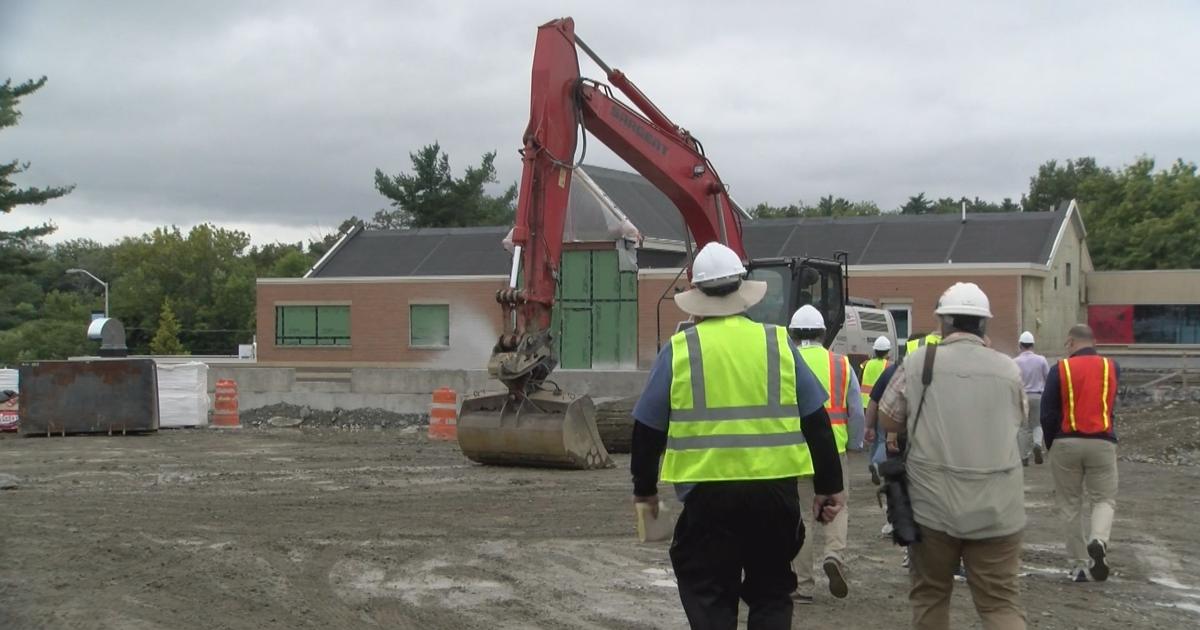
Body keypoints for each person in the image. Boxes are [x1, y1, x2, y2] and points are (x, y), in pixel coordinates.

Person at [630, 242, 846, 630]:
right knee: (772, 594)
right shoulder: (777, 343)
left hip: (707, 501)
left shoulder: (679, 351)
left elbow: (647, 430)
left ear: (696, 298)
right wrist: (829, 488)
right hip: (774, 498)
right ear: (744, 293)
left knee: (708, 594)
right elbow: (816, 420)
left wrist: (645, 491)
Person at [878, 282, 1027, 630]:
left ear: (942, 323)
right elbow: (1019, 415)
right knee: (1000, 603)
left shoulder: (918, 363)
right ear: (984, 326)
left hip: (933, 507)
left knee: (930, 595)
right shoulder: (1007, 369)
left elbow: (888, 417)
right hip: (997, 509)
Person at [787, 305, 866, 603]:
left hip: (796, 451)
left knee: (802, 516)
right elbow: (856, 410)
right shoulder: (841, 364)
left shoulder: (786, 361)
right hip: (833, 450)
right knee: (837, 506)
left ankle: (802, 584)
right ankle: (833, 555)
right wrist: (855, 443)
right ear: (823, 333)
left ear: (792, 333)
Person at [1039, 324, 1119, 583]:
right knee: (1104, 499)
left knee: (1070, 505)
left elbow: (1048, 412)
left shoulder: (1059, 369)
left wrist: (1052, 443)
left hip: (1067, 441)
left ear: (1071, 342)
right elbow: (1110, 402)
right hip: (1102, 441)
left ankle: (1080, 565)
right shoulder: (1111, 367)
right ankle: (1099, 540)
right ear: (1093, 342)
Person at [1014, 331, 1050, 466]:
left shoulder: (1015, 361)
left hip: (1022, 397)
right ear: (1033, 345)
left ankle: (1024, 456)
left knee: (1023, 427)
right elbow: (1048, 378)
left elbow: (1014, 381)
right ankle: (1037, 444)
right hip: (1038, 395)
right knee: (1037, 424)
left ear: (1020, 345)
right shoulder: (1041, 360)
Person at [861, 337, 893, 473]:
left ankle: (872, 464)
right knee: (881, 438)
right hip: (881, 405)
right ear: (888, 351)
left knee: (871, 437)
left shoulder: (866, 364)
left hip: (866, 405)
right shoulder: (889, 365)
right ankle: (876, 464)